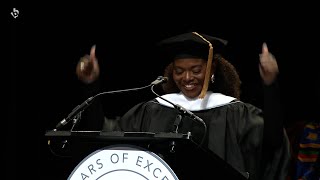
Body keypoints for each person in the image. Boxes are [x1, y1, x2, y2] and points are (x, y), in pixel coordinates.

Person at [73, 32, 290, 180]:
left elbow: (272, 141)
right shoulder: (154, 110)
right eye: (179, 71)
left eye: (196, 70)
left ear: (211, 70)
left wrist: (270, 85)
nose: (187, 78)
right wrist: (91, 84)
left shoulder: (235, 113)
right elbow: (104, 133)